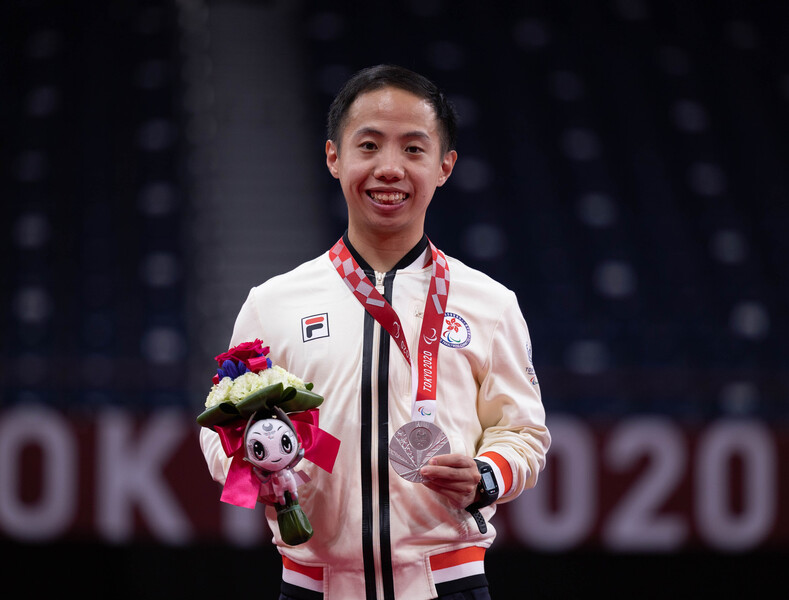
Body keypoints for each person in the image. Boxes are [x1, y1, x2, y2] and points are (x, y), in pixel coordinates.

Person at [200, 64, 550, 600]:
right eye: (369, 146)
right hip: (314, 584)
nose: (390, 168)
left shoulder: (491, 304)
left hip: (449, 582)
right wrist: (256, 469)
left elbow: (523, 433)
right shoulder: (272, 305)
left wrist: (487, 473)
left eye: (413, 149)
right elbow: (219, 424)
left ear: (445, 166)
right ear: (333, 158)